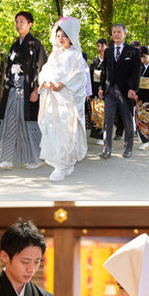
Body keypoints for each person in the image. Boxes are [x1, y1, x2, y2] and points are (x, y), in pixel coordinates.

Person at [37, 16, 90, 182]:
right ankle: (60, 163)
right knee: (52, 130)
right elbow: (44, 72)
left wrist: (63, 84)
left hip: (67, 100)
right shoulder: (54, 55)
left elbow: (79, 77)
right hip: (52, 99)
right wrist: (45, 82)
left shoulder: (76, 56)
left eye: (64, 36)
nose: (60, 39)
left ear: (71, 37)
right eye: (58, 36)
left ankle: (63, 164)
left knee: (66, 132)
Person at [0, 11, 47, 170]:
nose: (18, 24)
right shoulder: (14, 45)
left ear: (30, 24)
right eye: (17, 21)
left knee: (29, 123)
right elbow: (7, 68)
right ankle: (7, 159)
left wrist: (36, 89)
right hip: (13, 88)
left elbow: (41, 67)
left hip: (28, 89)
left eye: (22, 21)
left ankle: (37, 158)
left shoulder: (35, 44)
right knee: (9, 122)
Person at [96, 24, 141, 159]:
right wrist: (101, 88)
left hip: (125, 91)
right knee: (107, 120)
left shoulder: (133, 51)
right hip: (110, 91)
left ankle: (128, 148)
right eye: (114, 32)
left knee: (127, 120)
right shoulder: (108, 51)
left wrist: (133, 89)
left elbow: (136, 72)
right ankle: (106, 149)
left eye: (118, 32)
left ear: (124, 34)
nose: (116, 34)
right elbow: (104, 71)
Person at [86, 38, 108, 142]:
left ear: (106, 47)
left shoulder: (109, 60)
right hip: (95, 88)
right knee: (96, 112)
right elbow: (89, 76)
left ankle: (104, 134)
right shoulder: (94, 61)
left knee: (104, 112)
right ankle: (98, 135)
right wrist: (88, 90)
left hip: (106, 88)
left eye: (102, 46)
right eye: (98, 46)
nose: (100, 49)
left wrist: (103, 88)